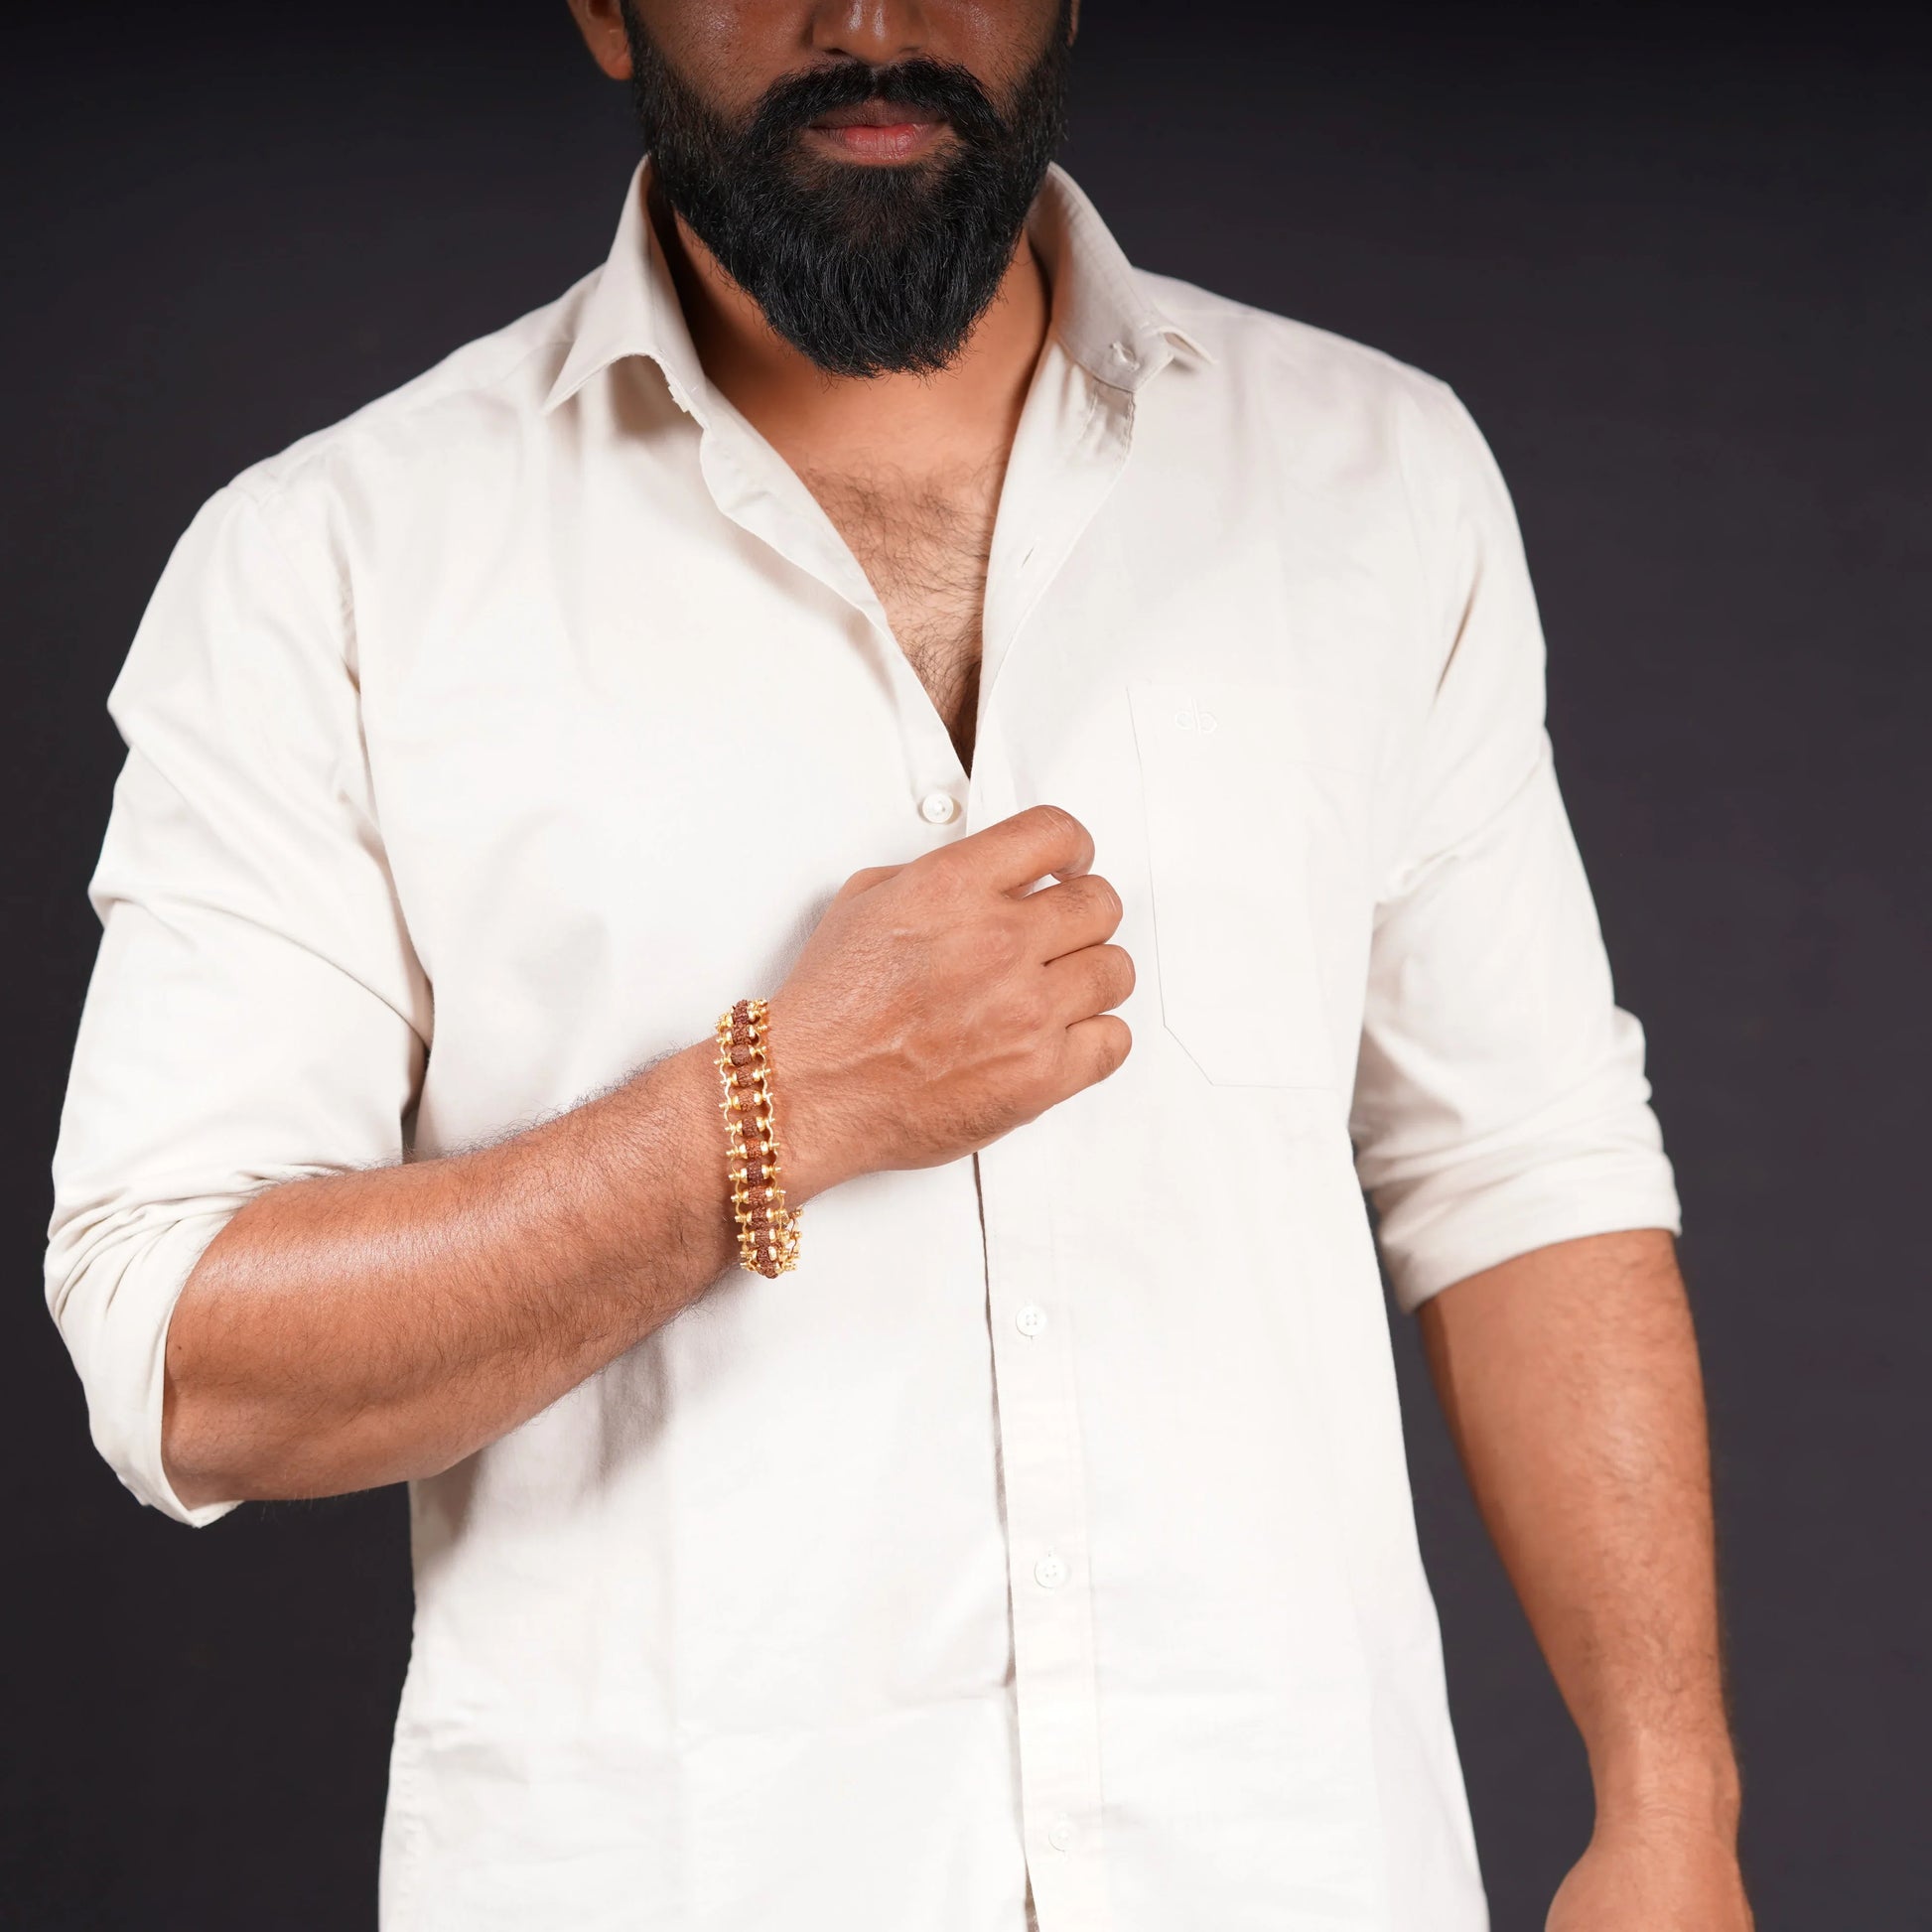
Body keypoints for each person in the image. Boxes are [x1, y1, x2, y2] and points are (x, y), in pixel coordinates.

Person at [43, 3, 1753, 1927]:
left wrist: (1665, 1805)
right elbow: (187, 1357)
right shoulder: (329, 565)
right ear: (605, 9)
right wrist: (765, 1110)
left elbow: (1522, 1167)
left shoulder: (1371, 474)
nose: (870, 23)